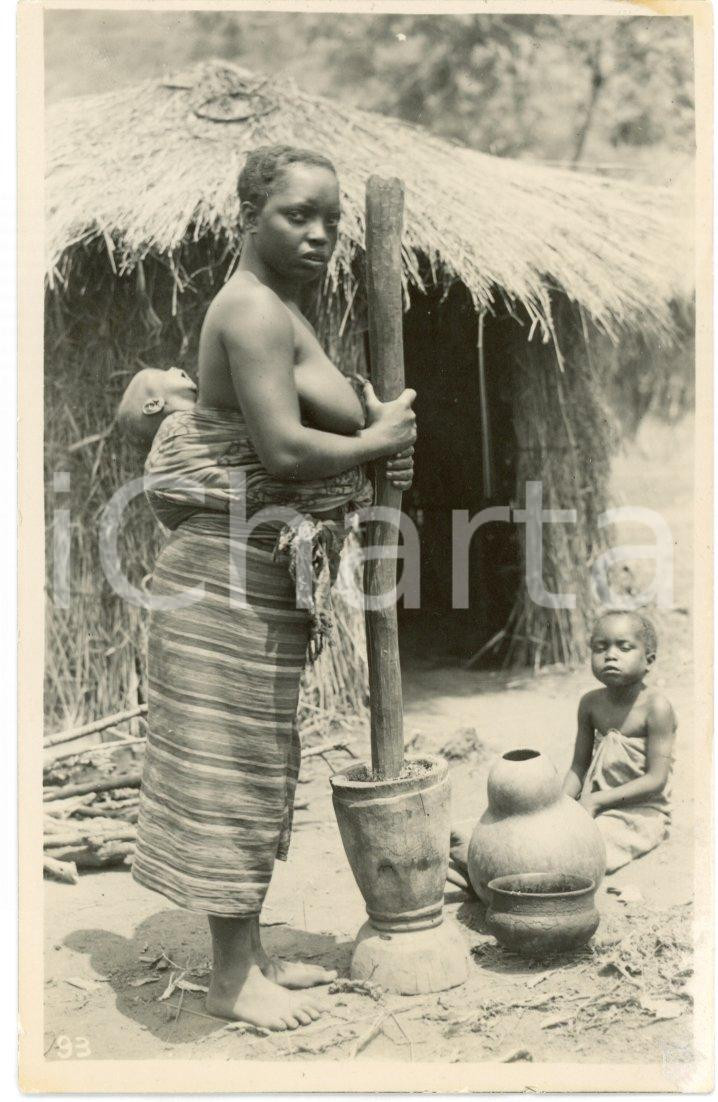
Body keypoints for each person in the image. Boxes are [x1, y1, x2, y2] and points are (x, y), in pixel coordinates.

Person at [129, 145, 417, 1032]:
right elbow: (286, 450)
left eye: (332, 217)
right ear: (249, 216)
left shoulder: (281, 310)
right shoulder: (251, 311)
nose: (324, 233)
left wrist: (372, 422)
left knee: (258, 762)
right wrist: (381, 439)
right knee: (231, 769)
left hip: (256, 568)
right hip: (221, 573)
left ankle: (247, 955)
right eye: (299, 214)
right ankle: (227, 980)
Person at [562, 609, 677, 874]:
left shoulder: (656, 708)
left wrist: (598, 801)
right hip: (593, 803)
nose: (610, 655)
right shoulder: (589, 704)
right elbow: (579, 766)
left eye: (624, 647)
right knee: (546, 827)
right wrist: (560, 804)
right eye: (600, 647)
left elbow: (655, 779)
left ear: (648, 660)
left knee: (587, 849)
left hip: (641, 811)